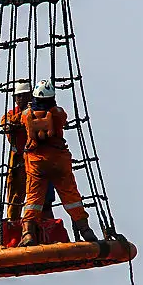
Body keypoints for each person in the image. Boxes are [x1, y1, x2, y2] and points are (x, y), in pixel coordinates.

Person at [19, 79, 98, 246]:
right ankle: (85, 229)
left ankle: (28, 234)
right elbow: (63, 118)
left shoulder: (26, 115)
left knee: (33, 199)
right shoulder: (58, 113)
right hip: (58, 161)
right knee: (71, 195)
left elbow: (20, 119)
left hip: (36, 163)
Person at [0, 80, 55, 221]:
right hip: (18, 160)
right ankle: (13, 223)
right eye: (18, 96)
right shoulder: (10, 115)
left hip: (37, 157)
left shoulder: (39, 113)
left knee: (41, 195)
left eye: (24, 96)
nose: (21, 99)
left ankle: (44, 223)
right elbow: (7, 125)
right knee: (15, 195)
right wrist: (23, 115)